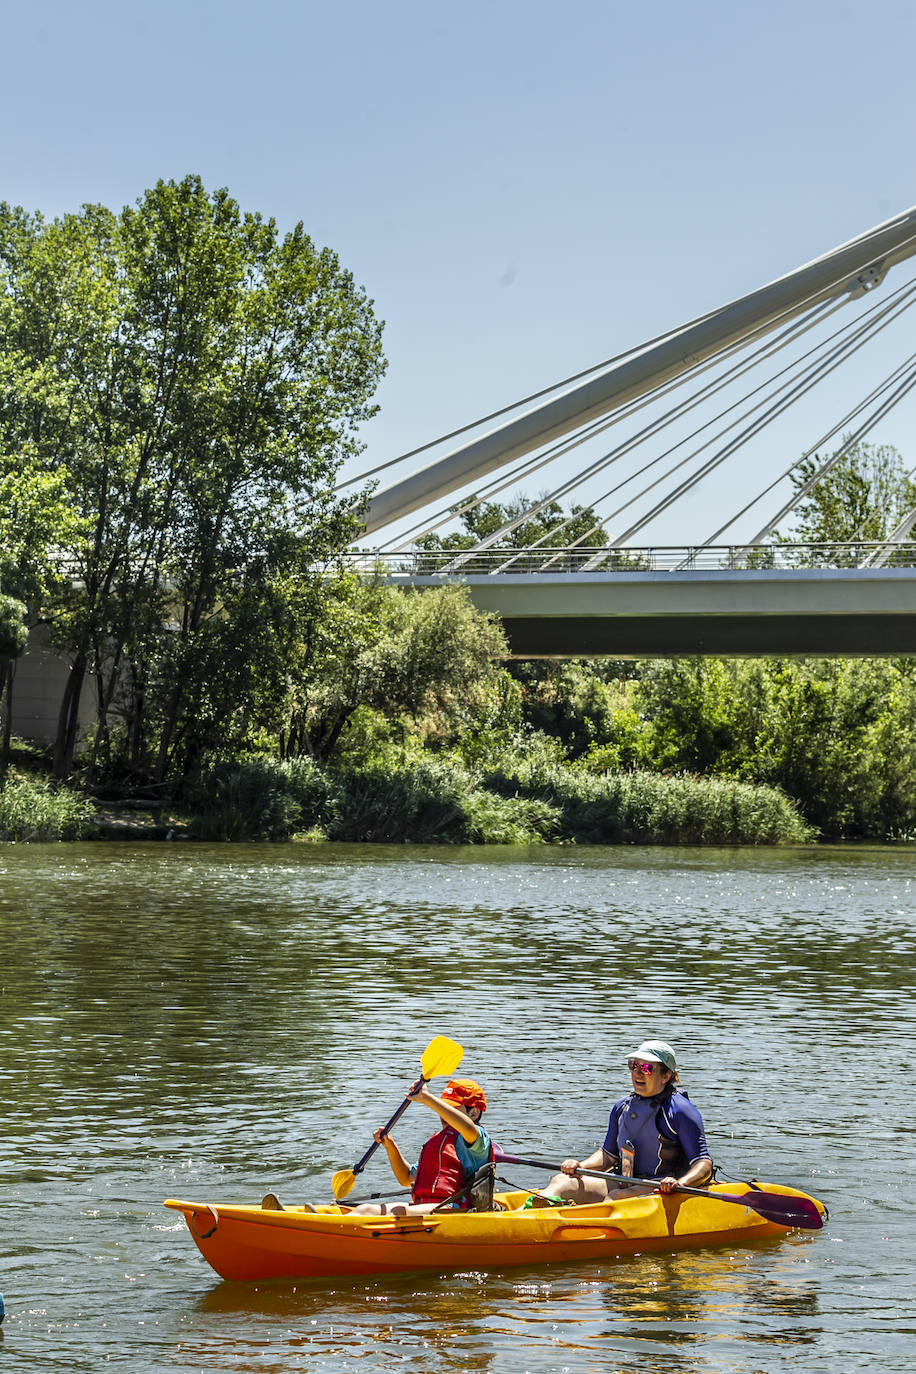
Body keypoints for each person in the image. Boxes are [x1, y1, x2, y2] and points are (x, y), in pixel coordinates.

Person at [534, 1040, 712, 1206]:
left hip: (660, 1187)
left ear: (666, 1076)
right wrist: (581, 1165)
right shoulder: (622, 1107)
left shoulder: (680, 1110)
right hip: (624, 1181)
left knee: (615, 1198)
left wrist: (680, 1183)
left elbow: (703, 1163)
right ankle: (526, 1217)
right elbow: (608, 1155)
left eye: (647, 1068)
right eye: (634, 1066)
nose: (637, 1072)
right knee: (561, 1181)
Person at [348, 1077, 493, 1215]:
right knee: (364, 1209)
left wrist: (427, 1098)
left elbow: (467, 1128)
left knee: (399, 1213)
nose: (442, 1115)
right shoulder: (440, 1141)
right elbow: (405, 1178)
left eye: (452, 1109)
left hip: (459, 1210)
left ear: (474, 1113)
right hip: (429, 1207)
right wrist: (390, 1146)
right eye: (443, 1108)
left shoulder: (478, 1140)